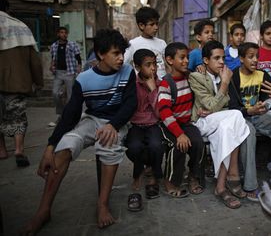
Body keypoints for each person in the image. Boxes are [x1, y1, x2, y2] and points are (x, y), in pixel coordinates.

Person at [21, 29, 137, 234]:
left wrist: (113, 125)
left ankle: (102, 204)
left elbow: (130, 105)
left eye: (122, 53)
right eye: (116, 53)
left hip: (116, 122)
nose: (121, 58)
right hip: (91, 120)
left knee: (109, 145)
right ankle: (43, 209)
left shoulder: (127, 73)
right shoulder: (84, 79)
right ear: (101, 54)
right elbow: (71, 115)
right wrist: (51, 145)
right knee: (66, 146)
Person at [228, 42, 271, 193]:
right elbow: (231, 108)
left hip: (260, 116)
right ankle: (250, 185)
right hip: (242, 118)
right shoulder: (233, 77)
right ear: (241, 58)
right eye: (250, 57)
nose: (255, 60)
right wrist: (249, 111)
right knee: (249, 132)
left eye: (257, 57)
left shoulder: (262, 75)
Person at [189, 40, 250, 209]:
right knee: (236, 116)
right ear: (206, 61)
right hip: (202, 123)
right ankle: (233, 174)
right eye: (217, 58)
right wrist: (224, 83)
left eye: (223, 57)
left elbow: (223, 105)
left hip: (221, 120)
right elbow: (212, 106)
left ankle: (221, 186)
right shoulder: (196, 76)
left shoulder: (225, 74)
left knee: (227, 127)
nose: (222, 62)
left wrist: (214, 108)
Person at [0, 0, 43, 166]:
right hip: (16, 82)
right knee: (17, 115)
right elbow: (34, 60)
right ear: (7, 8)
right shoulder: (21, 26)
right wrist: (38, 81)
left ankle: (2, 150)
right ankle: (18, 149)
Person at [158, 42, 205, 198]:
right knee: (178, 146)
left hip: (186, 123)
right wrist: (179, 134)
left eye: (187, 57)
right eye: (182, 58)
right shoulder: (166, 83)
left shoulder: (189, 78)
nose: (186, 61)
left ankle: (193, 175)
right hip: (169, 125)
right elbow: (164, 112)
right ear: (170, 60)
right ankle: (171, 181)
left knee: (198, 142)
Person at [125, 49, 164, 212]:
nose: (153, 68)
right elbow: (131, 109)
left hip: (154, 123)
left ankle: (153, 175)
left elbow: (159, 112)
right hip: (136, 124)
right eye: (148, 65)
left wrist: (153, 89)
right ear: (137, 66)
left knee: (156, 145)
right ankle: (139, 172)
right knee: (133, 147)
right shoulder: (132, 84)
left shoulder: (159, 83)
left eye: (154, 64)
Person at [48, 26, 82, 127]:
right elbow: (53, 58)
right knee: (55, 93)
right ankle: (61, 114)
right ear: (58, 34)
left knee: (70, 96)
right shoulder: (54, 46)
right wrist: (51, 65)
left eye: (65, 33)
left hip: (70, 72)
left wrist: (79, 66)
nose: (64, 34)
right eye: (61, 32)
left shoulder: (72, 45)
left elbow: (78, 57)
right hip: (59, 73)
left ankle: (70, 117)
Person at [124, 6, 167, 80]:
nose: (156, 27)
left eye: (157, 24)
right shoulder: (133, 44)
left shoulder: (162, 43)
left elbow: (168, 63)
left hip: (162, 85)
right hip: (143, 87)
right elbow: (124, 63)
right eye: (152, 24)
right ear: (141, 25)